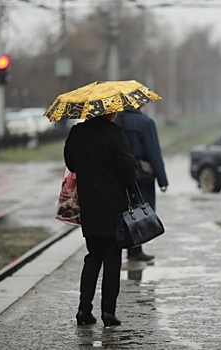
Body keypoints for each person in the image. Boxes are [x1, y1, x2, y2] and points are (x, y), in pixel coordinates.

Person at [64, 112, 138, 327]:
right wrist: (131, 185)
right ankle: (108, 312)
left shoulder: (77, 132)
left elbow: (71, 164)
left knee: (93, 256)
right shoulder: (114, 134)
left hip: (88, 205)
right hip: (113, 206)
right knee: (112, 259)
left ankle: (83, 309)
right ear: (109, 111)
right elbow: (127, 167)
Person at [115, 106, 169, 262]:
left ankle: (124, 246)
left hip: (119, 173)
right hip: (141, 175)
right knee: (139, 210)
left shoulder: (116, 120)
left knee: (123, 210)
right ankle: (135, 249)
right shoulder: (145, 122)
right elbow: (153, 151)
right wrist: (162, 179)